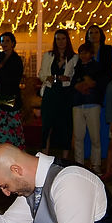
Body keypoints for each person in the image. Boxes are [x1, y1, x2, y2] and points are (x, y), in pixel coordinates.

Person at [39, 29, 78, 158]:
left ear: (67, 40)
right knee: (47, 126)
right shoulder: (48, 55)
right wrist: (48, 78)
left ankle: (65, 158)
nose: (60, 42)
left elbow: (76, 77)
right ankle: (45, 156)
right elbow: (41, 74)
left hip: (65, 94)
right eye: (58, 39)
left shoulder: (74, 57)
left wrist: (68, 79)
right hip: (50, 92)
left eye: (63, 38)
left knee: (66, 126)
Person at [71, 43, 103, 173]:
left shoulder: (97, 67)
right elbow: (73, 84)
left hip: (92, 104)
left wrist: (86, 83)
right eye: (81, 52)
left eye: (86, 52)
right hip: (78, 104)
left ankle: (96, 165)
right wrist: (80, 85)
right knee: (78, 137)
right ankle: (79, 165)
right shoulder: (76, 67)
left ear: (91, 54)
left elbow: (96, 83)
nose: (83, 55)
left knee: (95, 137)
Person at [85, 24, 112, 164]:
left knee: (102, 121)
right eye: (91, 32)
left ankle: (103, 152)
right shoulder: (84, 51)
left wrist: (94, 81)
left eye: (96, 32)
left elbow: (107, 69)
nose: (94, 35)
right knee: (89, 121)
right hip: (88, 91)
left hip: (102, 88)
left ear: (101, 34)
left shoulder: (107, 49)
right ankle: (87, 152)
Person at [0, 31, 25, 149]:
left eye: (7, 41)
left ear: (13, 43)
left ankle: (19, 150)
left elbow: (13, 78)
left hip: (12, 96)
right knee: (3, 125)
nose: (4, 43)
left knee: (15, 125)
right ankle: (5, 149)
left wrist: (0, 69)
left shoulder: (16, 59)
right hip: (1, 95)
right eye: (2, 41)